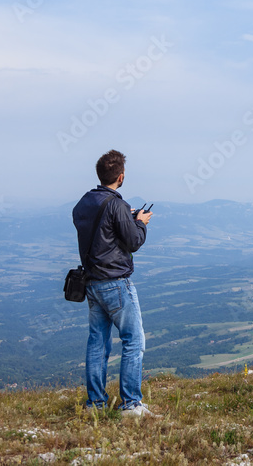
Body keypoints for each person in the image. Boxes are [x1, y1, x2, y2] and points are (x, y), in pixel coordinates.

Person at [72, 149, 156, 417]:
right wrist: (140, 223)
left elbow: (101, 235)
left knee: (97, 343)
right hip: (116, 283)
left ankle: (95, 404)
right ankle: (131, 404)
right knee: (134, 340)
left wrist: (124, 218)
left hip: (92, 284)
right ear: (121, 177)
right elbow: (134, 242)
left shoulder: (84, 203)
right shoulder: (116, 205)